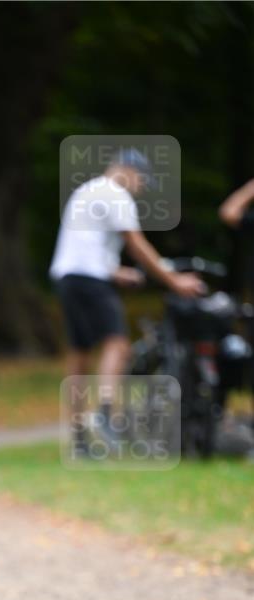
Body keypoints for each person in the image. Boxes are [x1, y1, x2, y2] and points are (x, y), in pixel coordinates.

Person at [49, 148, 204, 455]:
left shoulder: (86, 191)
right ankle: (105, 411)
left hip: (67, 277)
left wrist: (116, 272)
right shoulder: (116, 194)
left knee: (80, 354)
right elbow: (137, 244)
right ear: (128, 172)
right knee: (117, 344)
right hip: (91, 279)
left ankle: (79, 438)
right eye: (142, 181)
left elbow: (83, 245)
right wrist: (175, 280)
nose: (141, 188)